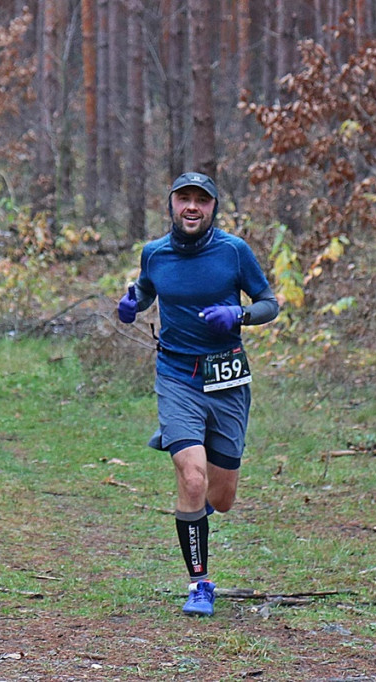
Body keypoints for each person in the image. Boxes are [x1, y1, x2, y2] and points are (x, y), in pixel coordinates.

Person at [117, 172, 279, 616]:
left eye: (201, 201)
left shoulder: (233, 251)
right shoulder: (155, 253)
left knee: (220, 499)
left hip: (226, 380)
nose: (192, 207)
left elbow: (270, 302)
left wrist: (239, 314)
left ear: (213, 208)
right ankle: (199, 584)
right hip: (176, 376)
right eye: (183, 199)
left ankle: (188, 455)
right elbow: (144, 290)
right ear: (171, 205)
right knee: (192, 479)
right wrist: (131, 304)